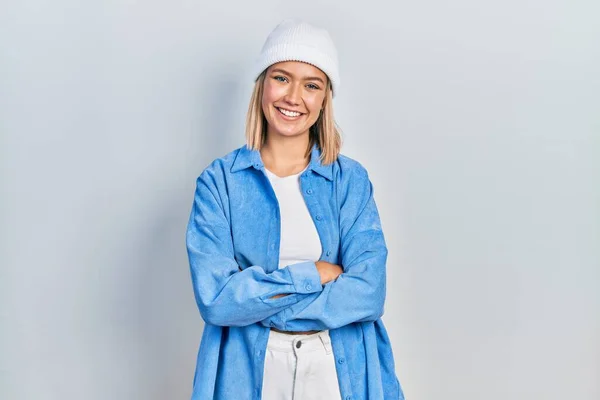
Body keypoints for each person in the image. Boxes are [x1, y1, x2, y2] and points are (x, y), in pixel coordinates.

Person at [186, 19, 405, 400]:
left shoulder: (349, 181)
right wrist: (312, 275)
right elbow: (217, 301)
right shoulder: (219, 182)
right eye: (282, 78)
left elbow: (369, 293)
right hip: (249, 370)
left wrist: (255, 302)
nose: (293, 97)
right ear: (262, 86)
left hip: (336, 369)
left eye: (311, 85)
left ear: (324, 100)